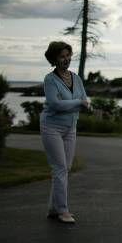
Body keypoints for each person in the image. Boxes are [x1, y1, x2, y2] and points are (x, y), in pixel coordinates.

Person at [40, 41, 89, 224]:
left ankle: (53, 209)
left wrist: (76, 102)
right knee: (60, 168)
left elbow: (84, 98)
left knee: (65, 168)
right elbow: (54, 104)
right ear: (54, 59)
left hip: (71, 128)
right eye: (61, 56)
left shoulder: (76, 78)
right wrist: (76, 103)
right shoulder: (50, 79)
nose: (66, 59)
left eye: (68, 55)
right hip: (51, 127)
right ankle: (63, 211)